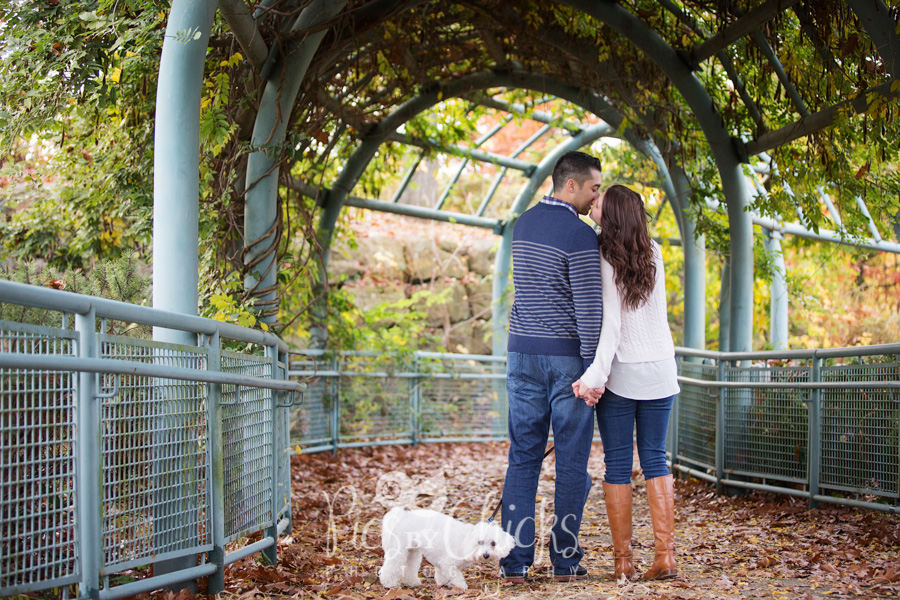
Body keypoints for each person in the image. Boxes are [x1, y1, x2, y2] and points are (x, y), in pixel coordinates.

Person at [499, 151, 603, 583]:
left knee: (522, 458)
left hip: (521, 355)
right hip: (567, 361)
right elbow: (589, 309)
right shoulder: (580, 235)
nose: (596, 197)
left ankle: (514, 562)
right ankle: (565, 561)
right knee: (571, 463)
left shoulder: (521, 224)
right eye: (594, 187)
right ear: (572, 184)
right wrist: (594, 370)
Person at [572, 184, 680, 583]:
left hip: (623, 374)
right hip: (662, 369)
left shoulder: (604, 254)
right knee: (655, 458)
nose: (593, 203)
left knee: (618, 464)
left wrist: (592, 379)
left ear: (612, 214)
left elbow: (613, 326)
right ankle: (665, 557)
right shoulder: (654, 251)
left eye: (599, 201)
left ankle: (623, 563)